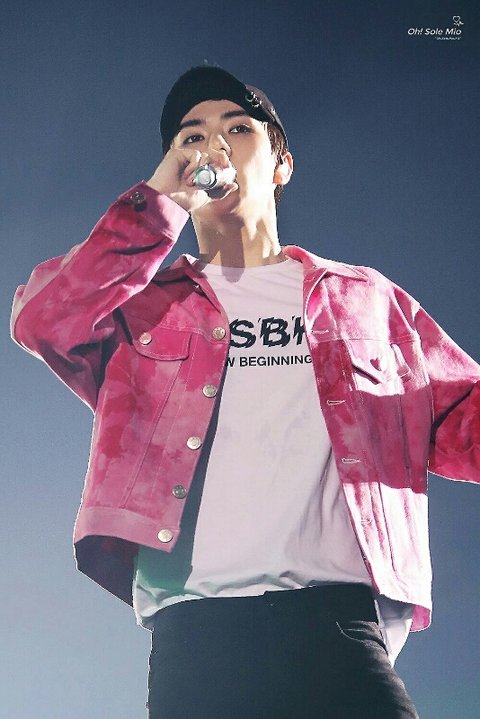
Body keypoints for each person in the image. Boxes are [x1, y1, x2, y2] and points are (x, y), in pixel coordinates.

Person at [10, 65, 480, 719]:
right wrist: (157, 204)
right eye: (191, 136)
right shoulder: (140, 307)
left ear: (282, 164)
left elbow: (465, 420)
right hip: (197, 636)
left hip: (337, 625)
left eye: (237, 128)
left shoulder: (366, 301)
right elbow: (42, 318)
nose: (213, 145)